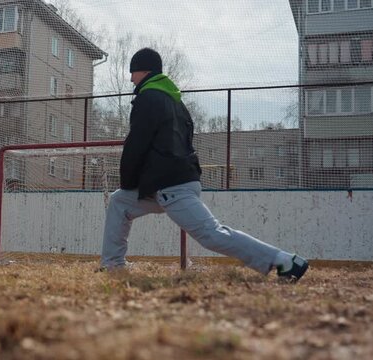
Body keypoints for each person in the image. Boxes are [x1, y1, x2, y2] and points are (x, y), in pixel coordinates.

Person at [100, 48, 309, 281]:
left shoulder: (148, 98)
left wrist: (128, 179)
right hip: (169, 182)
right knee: (120, 202)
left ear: (144, 71)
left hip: (171, 186)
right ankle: (113, 265)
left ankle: (286, 262)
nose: (131, 79)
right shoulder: (175, 102)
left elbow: (136, 144)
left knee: (212, 234)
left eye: (133, 72)